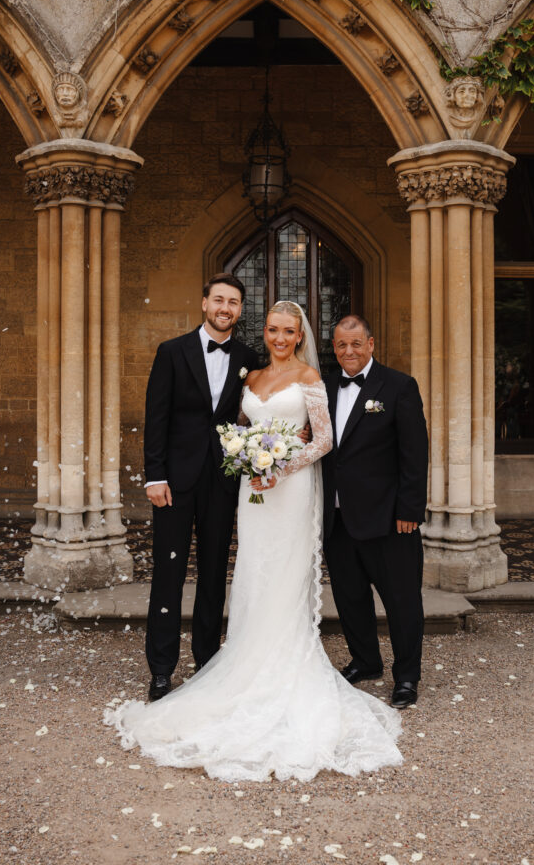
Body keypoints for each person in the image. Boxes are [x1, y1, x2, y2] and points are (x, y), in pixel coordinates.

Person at [106, 302, 403, 782]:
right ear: (263, 332)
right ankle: (242, 658)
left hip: (290, 489)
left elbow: (322, 440)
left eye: (288, 330)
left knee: (285, 573)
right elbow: (237, 430)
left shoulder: (310, 378)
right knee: (252, 570)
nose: (280, 337)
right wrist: (247, 457)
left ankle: (283, 668)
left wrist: (278, 466)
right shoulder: (250, 379)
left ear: (299, 335)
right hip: (252, 490)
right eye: (272, 330)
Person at [142, 273, 261, 701]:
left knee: (213, 573)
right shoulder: (172, 352)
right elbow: (156, 417)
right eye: (219, 300)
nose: (225, 308)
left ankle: (208, 661)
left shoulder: (250, 358)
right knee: (168, 574)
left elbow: (253, 417)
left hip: (222, 480)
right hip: (173, 482)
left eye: (233, 302)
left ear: (240, 310)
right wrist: (154, 476)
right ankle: (160, 668)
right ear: (205, 303)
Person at [322, 315, 428, 709]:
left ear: (371, 344)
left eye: (355, 344)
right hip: (339, 518)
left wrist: (409, 509)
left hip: (389, 518)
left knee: (401, 601)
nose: (348, 351)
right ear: (334, 348)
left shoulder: (399, 386)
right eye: (340, 345)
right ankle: (366, 661)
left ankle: (406, 677)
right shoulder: (325, 387)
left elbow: (414, 454)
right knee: (350, 598)